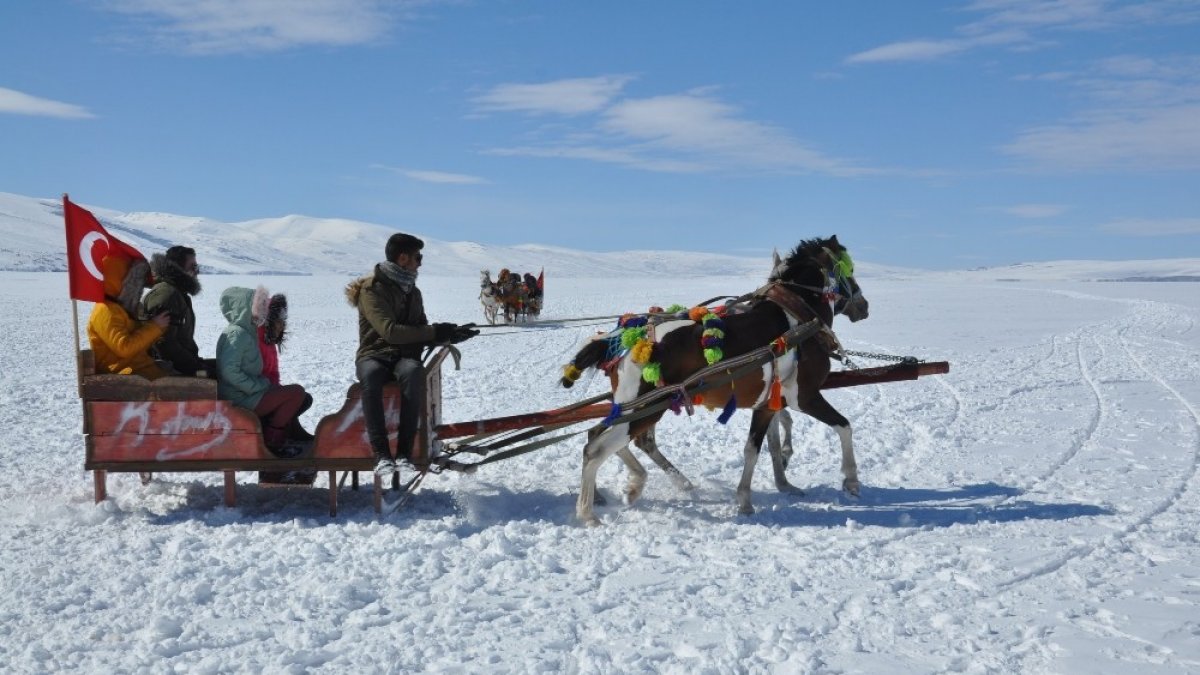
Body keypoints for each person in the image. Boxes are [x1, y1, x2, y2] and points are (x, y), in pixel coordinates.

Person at [346, 232, 479, 477]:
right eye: (418, 257)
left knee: (414, 372)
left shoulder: (413, 292)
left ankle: (404, 454)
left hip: (404, 356)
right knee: (371, 377)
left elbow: (420, 329)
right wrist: (435, 331)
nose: (420, 263)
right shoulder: (371, 290)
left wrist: (449, 334)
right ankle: (381, 455)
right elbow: (390, 332)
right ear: (403, 258)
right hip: (374, 354)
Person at [215, 286, 308, 459]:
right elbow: (229, 371)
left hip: (245, 394)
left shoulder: (246, 333)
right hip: (240, 398)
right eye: (259, 306)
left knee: (297, 395)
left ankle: (277, 437)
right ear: (246, 308)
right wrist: (256, 386)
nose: (263, 312)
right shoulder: (238, 334)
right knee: (296, 393)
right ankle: (272, 443)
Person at [87, 254, 171, 379]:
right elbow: (124, 348)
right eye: (133, 281)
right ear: (120, 280)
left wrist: (158, 328)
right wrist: (154, 327)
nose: (137, 287)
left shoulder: (120, 308)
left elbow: (138, 346)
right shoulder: (106, 310)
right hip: (122, 376)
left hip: (137, 372)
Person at [251, 287, 314, 442]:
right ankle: (272, 438)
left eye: (283, 321)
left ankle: (288, 430)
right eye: (279, 321)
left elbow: (273, 374)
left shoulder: (269, 340)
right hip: (255, 395)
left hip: (264, 391)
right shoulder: (257, 340)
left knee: (303, 399)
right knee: (297, 395)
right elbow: (254, 373)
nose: (282, 326)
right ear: (270, 320)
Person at [142, 245, 207, 376]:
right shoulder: (166, 294)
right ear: (178, 267)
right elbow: (164, 344)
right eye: (193, 266)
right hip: (168, 372)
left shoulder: (176, 292)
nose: (197, 271)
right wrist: (194, 367)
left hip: (178, 366)